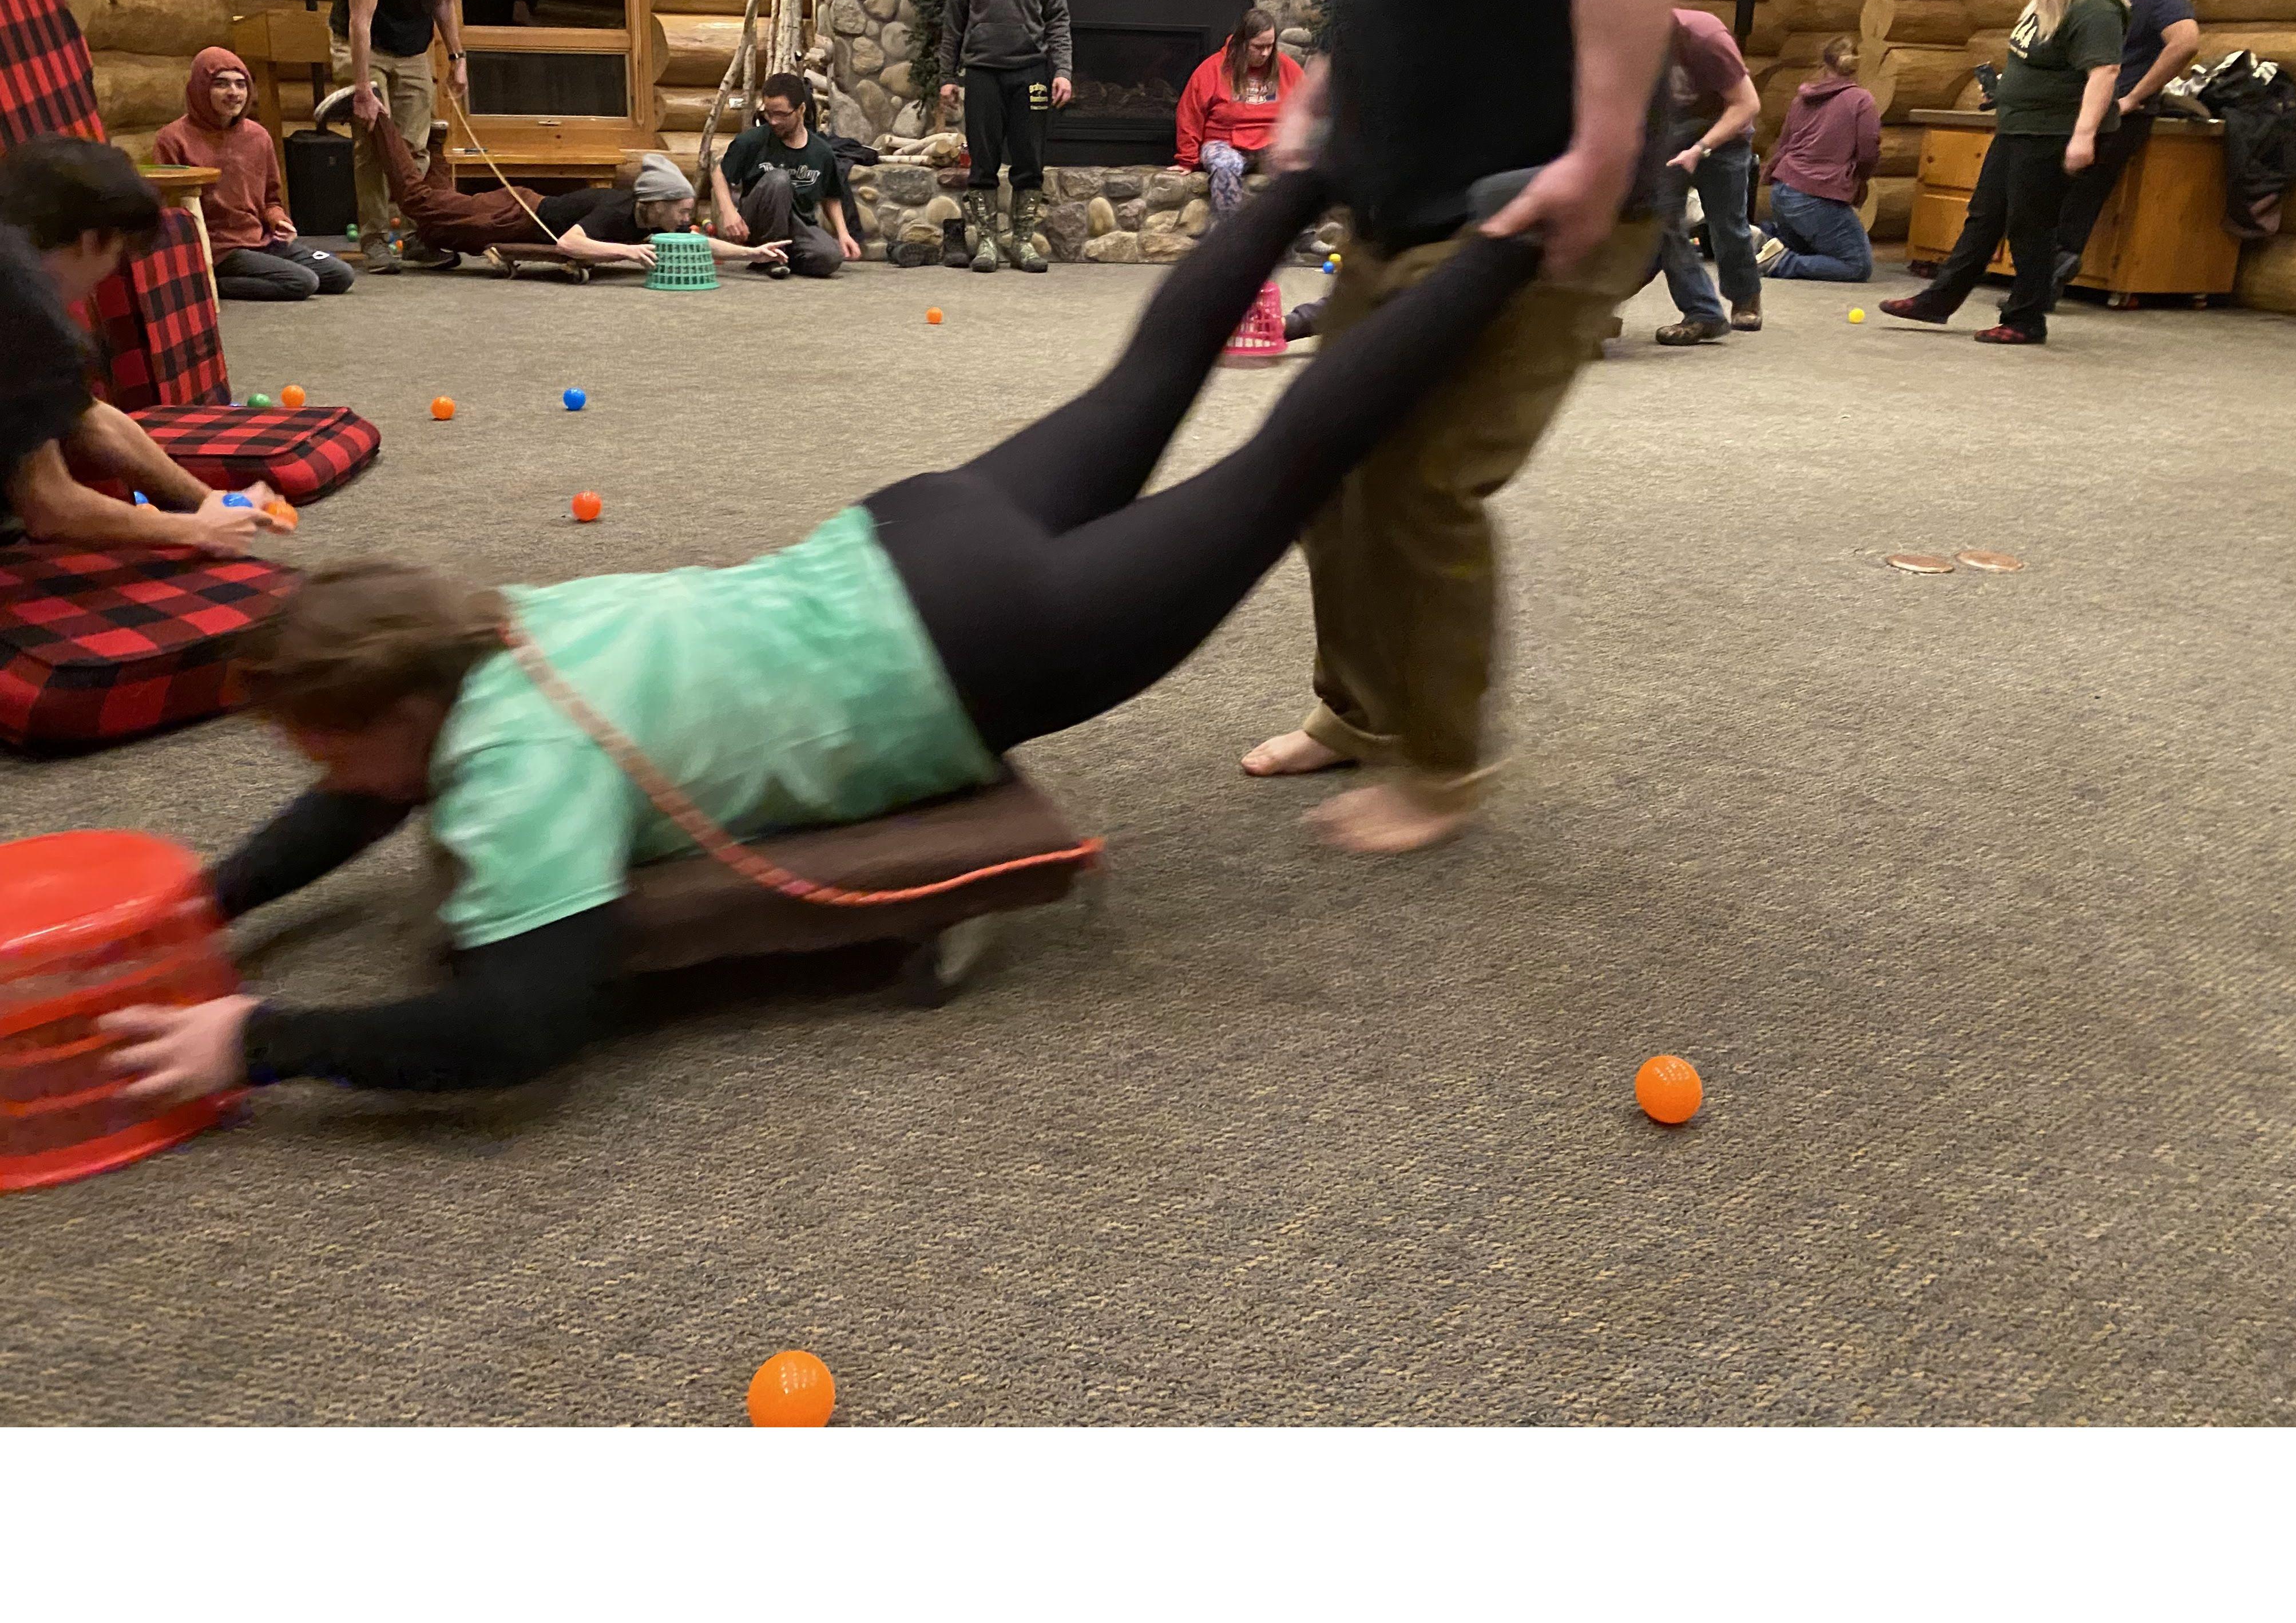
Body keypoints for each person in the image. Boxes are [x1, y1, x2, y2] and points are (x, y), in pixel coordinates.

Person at [97, 158, 1569, 1103]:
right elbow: (357, 790)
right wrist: (210, 904)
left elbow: (517, 1028)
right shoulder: (495, 627)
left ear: (393, 718)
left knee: (1285, 461)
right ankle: (1314, 161)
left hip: (988, 641)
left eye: (316, 737)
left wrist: (261, 1036)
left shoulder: (517, 774)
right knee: (1151, 382)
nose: (318, 768)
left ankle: (1515, 235)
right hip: (910, 531)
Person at [1239, 0, 1680, 855]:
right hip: (1406, 199)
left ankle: (1441, 767)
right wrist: (1326, 86)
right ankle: (1360, 710)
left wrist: (1599, 146)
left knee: (1418, 478)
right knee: (1323, 460)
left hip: (1529, 200)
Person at [0, 135, 289, 555]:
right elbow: (50, 507)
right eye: (118, 253)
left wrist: (208, 501)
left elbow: (87, 417)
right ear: (91, 239)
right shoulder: (27, 307)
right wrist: (196, 531)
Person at [1882, 0, 2126, 345]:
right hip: (2019, 125)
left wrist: (2084, 136)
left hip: (2053, 132)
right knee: (1985, 215)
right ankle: (1940, 299)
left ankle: (2026, 318)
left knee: (2030, 225)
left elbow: (2104, 72)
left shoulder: (2095, 5)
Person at [328, 0, 476, 276]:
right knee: (375, 143)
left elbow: (444, 4)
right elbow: (360, 21)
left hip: (412, 48)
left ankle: (415, 236)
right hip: (365, 44)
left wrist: (457, 59)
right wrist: (362, 90)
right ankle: (375, 240)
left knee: (415, 146)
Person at [2053, 0, 2201, 295]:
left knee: (2082, 190)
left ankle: (2052, 274)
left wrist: (2135, 97)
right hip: (2075, 107)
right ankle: (2044, 271)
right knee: (2049, 186)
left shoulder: (2161, 0)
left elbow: (2184, 43)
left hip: (2122, 113)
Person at [937, 0, 1073, 274]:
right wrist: (947, 76)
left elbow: (1058, 18)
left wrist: (1062, 70)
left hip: (1031, 71)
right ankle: (987, 244)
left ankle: (1022, 242)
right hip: (982, 72)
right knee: (983, 163)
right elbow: (954, 19)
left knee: (1029, 161)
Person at [155, 47, 354, 302]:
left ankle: (247, 275)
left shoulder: (258, 136)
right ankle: (210, 282)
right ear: (201, 88)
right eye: (221, 84)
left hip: (261, 241)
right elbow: (170, 209)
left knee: (341, 275)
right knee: (303, 282)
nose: (234, 93)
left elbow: (271, 199)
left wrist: (278, 220)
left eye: (241, 85)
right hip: (221, 249)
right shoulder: (172, 139)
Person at [1651, 6, 1764, 343]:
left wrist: (1700, 149)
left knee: (1726, 222)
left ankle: (1745, 298)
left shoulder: (1705, 38)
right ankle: (1704, 311)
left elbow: (1747, 104)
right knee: (1659, 220)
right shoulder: (1629, 44)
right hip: (1671, 130)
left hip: (1725, 130)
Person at [707, 73, 861, 279]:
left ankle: (778, 258)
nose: (774, 121)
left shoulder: (822, 152)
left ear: (801, 110)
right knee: (779, 179)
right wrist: (729, 212)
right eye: (769, 114)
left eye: (781, 115)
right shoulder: (752, 141)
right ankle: (770, 256)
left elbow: (830, 196)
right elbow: (719, 171)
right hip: (757, 223)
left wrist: (843, 234)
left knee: (830, 258)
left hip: (798, 225)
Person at [1752, 36, 1881, 282]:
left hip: (1783, 192)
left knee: (1808, 250)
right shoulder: (1861, 100)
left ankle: (1765, 241)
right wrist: (1860, 180)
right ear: (1857, 65)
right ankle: (1781, 262)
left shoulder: (1801, 99)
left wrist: (1770, 178)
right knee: (1856, 265)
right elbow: (1868, 151)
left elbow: (1784, 144)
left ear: (1823, 66)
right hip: (1816, 196)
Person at [533, 155, 782, 274]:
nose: (687, 219)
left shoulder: (662, 221)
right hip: (523, 214)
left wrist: (752, 253)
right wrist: (627, 251)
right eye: (683, 211)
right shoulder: (616, 210)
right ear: (659, 204)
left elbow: (699, 243)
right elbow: (567, 243)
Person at [1174, 11, 1306, 216]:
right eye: (1258, 47)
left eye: (1270, 46)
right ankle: (1228, 237)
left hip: (1270, 143)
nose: (1265, 53)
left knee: (1298, 167)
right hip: (1224, 142)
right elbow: (1190, 114)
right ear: (1243, 43)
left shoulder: (1286, 67)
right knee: (1225, 165)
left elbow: (1307, 108)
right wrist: (1187, 159)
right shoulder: (1213, 69)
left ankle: (1306, 236)